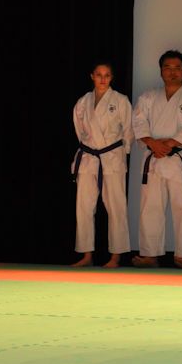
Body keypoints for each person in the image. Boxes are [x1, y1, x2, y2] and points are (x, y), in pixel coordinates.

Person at [131, 50, 182, 269]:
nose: (172, 72)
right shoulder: (148, 98)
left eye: (177, 68)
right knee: (150, 207)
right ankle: (150, 254)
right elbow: (139, 122)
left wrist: (169, 144)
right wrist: (152, 143)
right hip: (153, 157)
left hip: (178, 159)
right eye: (168, 67)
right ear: (161, 71)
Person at [71, 62, 133, 268]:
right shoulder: (83, 102)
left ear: (112, 77)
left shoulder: (121, 100)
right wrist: (90, 147)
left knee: (116, 207)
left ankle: (115, 256)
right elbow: (79, 130)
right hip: (89, 157)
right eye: (99, 75)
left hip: (112, 157)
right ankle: (86, 255)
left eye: (107, 75)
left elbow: (128, 130)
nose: (103, 79)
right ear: (92, 76)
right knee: (83, 207)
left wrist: (122, 153)